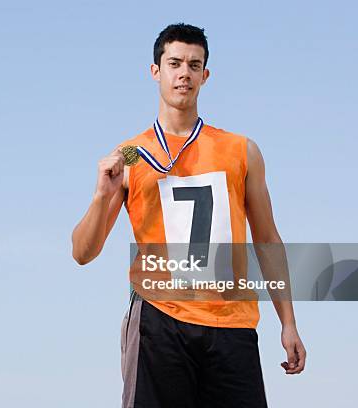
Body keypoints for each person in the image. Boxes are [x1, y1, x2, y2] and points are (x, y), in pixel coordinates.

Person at [71, 23, 306, 408]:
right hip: (159, 320)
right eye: (175, 63)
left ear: (205, 76)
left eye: (194, 66)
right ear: (155, 71)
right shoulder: (130, 154)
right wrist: (101, 196)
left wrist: (289, 322)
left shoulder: (240, 150)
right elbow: (82, 252)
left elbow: (267, 239)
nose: (184, 73)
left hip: (232, 323)